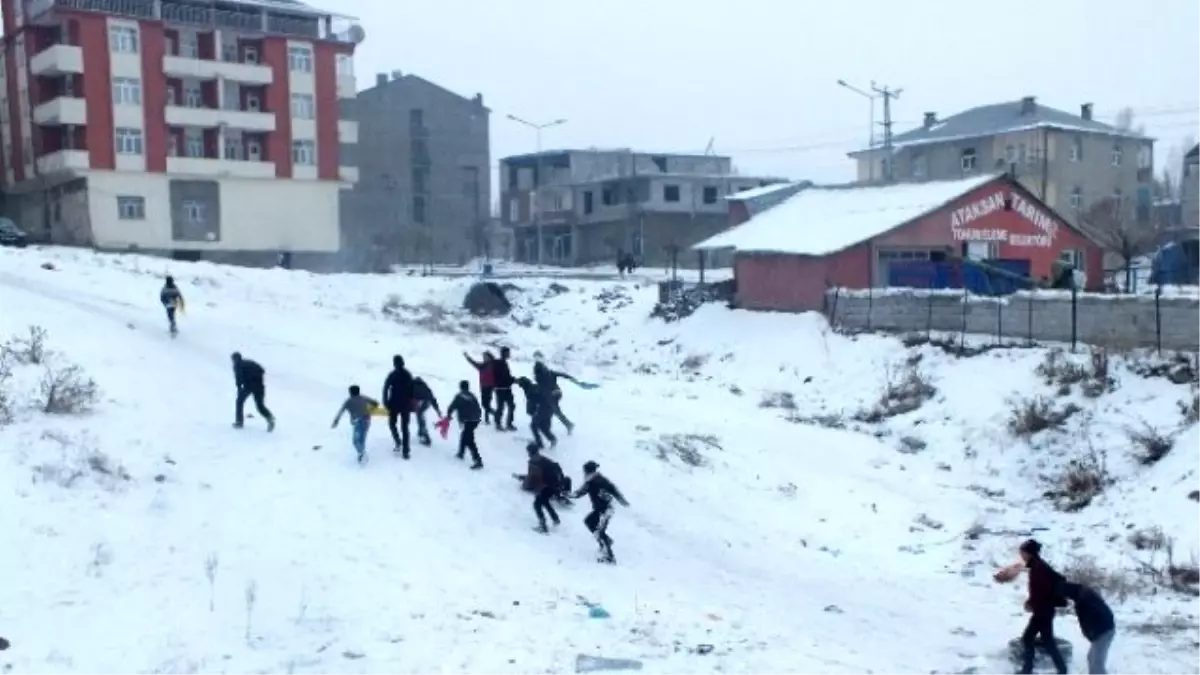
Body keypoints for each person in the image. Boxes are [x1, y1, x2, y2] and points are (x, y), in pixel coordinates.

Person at [1018, 539, 1068, 675]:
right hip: (1044, 610)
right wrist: (1031, 602)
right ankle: (1062, 670)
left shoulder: (1038, 569)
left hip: (1043, 611)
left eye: (1022, 552)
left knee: (1028, 638)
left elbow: (1042, 592)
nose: (1021, 555)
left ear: (1029, 553)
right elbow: (1039, 591)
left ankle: (1027, 671)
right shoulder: (1038, 566)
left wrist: (1031, 604)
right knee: (1047, 641)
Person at [572, 461, 629, 564]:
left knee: (599, 531)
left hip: (606, 510)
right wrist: (570, 495)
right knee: (589, 521)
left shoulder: (597, 482)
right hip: (600, 509)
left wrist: (620, 500)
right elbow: (581, 492)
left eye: (585, 471)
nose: (584, 473)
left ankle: (610, 557)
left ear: (588, 471)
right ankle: (606, 541)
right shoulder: (592, 481)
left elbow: (611, 490)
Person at [1059, 580, 1115, 675]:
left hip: (1103, 632)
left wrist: (1092, 633)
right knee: (1091, 658)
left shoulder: (1085, 599)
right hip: (1101, 631)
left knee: (1097, 664)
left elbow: (1095, 616)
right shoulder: (1082, 594)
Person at [524, 443, 566, 533]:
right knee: (545, 502)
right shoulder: (545, 459)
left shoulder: (534, 462)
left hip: (545, 486)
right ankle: (555, 519)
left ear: (530, 452)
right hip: (554, 486)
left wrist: (527, 485)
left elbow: (535, 477)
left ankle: (543, 526)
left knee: (537, 505)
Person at [331, 385, 379, 464]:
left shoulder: (348, 401)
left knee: (356, 441)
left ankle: (362, 454)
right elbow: (376, 403)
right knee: (362, 439)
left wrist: (336, 421)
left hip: (358, 421)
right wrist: (370, 410)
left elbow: (341, 411)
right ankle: (361, 454)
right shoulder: (363, 397)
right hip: (366, 419)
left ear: (350, 393)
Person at [533, 351, 577, 434]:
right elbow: (558, 374)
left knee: (549, 410)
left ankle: (547, 427)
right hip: (557, 392)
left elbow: (542, 384)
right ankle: (568, 424)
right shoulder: (546, 370)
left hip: (551, 394)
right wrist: (570, 377)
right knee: (554, 410)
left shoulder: (539, 370)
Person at [445, 380, 483, 469]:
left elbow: (451, 407)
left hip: (467, 420)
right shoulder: (472, 395)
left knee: (469, 440)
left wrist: (448, 416)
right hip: (475, 419)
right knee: (465, 435)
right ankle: (461, 453)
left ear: (460, 387)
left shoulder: (459, 396)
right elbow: (478, 407)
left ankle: (478, 460)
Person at [232, 352, 275, 431]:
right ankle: (269, 417)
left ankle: (239, 422)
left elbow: (239, 377)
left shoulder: (238, 365)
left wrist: (239, 388)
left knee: (239, 402)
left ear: (234, 359)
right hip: (260, 386)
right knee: (260, 405)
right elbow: (262, 370)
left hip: (249, 386)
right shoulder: (249, 362)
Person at [382, 355, 415, 458]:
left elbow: (385, 388)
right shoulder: (407, 374)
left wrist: (385, 401)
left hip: (394, 404)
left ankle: (398, 441)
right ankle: (405, 451)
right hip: (404, 405)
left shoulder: (393, 374)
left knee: (392, 424)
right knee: (405, 428)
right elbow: (413, 390)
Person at [516, 375, 555, 449]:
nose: (520, 387)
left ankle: (540, 443)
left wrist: (531, 412)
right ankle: (552, 439)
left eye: (520, 385)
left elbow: (533, 402)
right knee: (542, 426)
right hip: (549, 408)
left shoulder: (530, 391)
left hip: (542, 409)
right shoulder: (534, 386)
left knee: (533, 426)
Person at [463, 350, 497, 424]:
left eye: (486, 356)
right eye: (484, 357)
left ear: (490, 357)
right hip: (483, 386)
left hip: (490, 387)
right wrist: (467, 357)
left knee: (486, 404)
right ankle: (488, 419)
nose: (484, 358)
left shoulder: (493, 365)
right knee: (486, 404)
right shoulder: (482, 366)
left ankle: (495, 414)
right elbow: (473, 363)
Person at [412, 376, 442, 446]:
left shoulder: (414, 386)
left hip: (422, 402)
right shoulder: (425, 387)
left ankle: (426, 438)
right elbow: (433, 399)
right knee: (420, 415)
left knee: (420, 417)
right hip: (427, 402)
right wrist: (437, 410)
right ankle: (420, 432)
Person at [492, 346, 517, 431]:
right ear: (504, 353)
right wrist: (512, 380)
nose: (509, 354)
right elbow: (503, 377)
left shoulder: (504, 363)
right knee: (501, 407)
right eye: (508, 353)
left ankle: (508, 424)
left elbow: (506, 376)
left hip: (506, 388)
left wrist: (513, 380)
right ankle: (498, 424)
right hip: (500, 389)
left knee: (511, 406)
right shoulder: (499, 363)